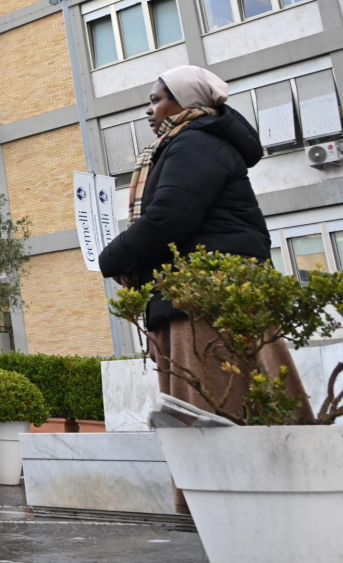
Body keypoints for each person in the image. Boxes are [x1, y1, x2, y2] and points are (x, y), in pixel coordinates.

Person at [97, 66, 313, 511]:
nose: (150, 110)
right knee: (232, 405)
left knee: (218, 407)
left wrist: (113, 259)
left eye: (157, 99)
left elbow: (170, 218)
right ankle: (237, 510)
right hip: (203, 295)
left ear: (187, 102)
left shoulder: (195, 142)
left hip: (204, 306)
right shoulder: (189, 142)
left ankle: (233, 510)